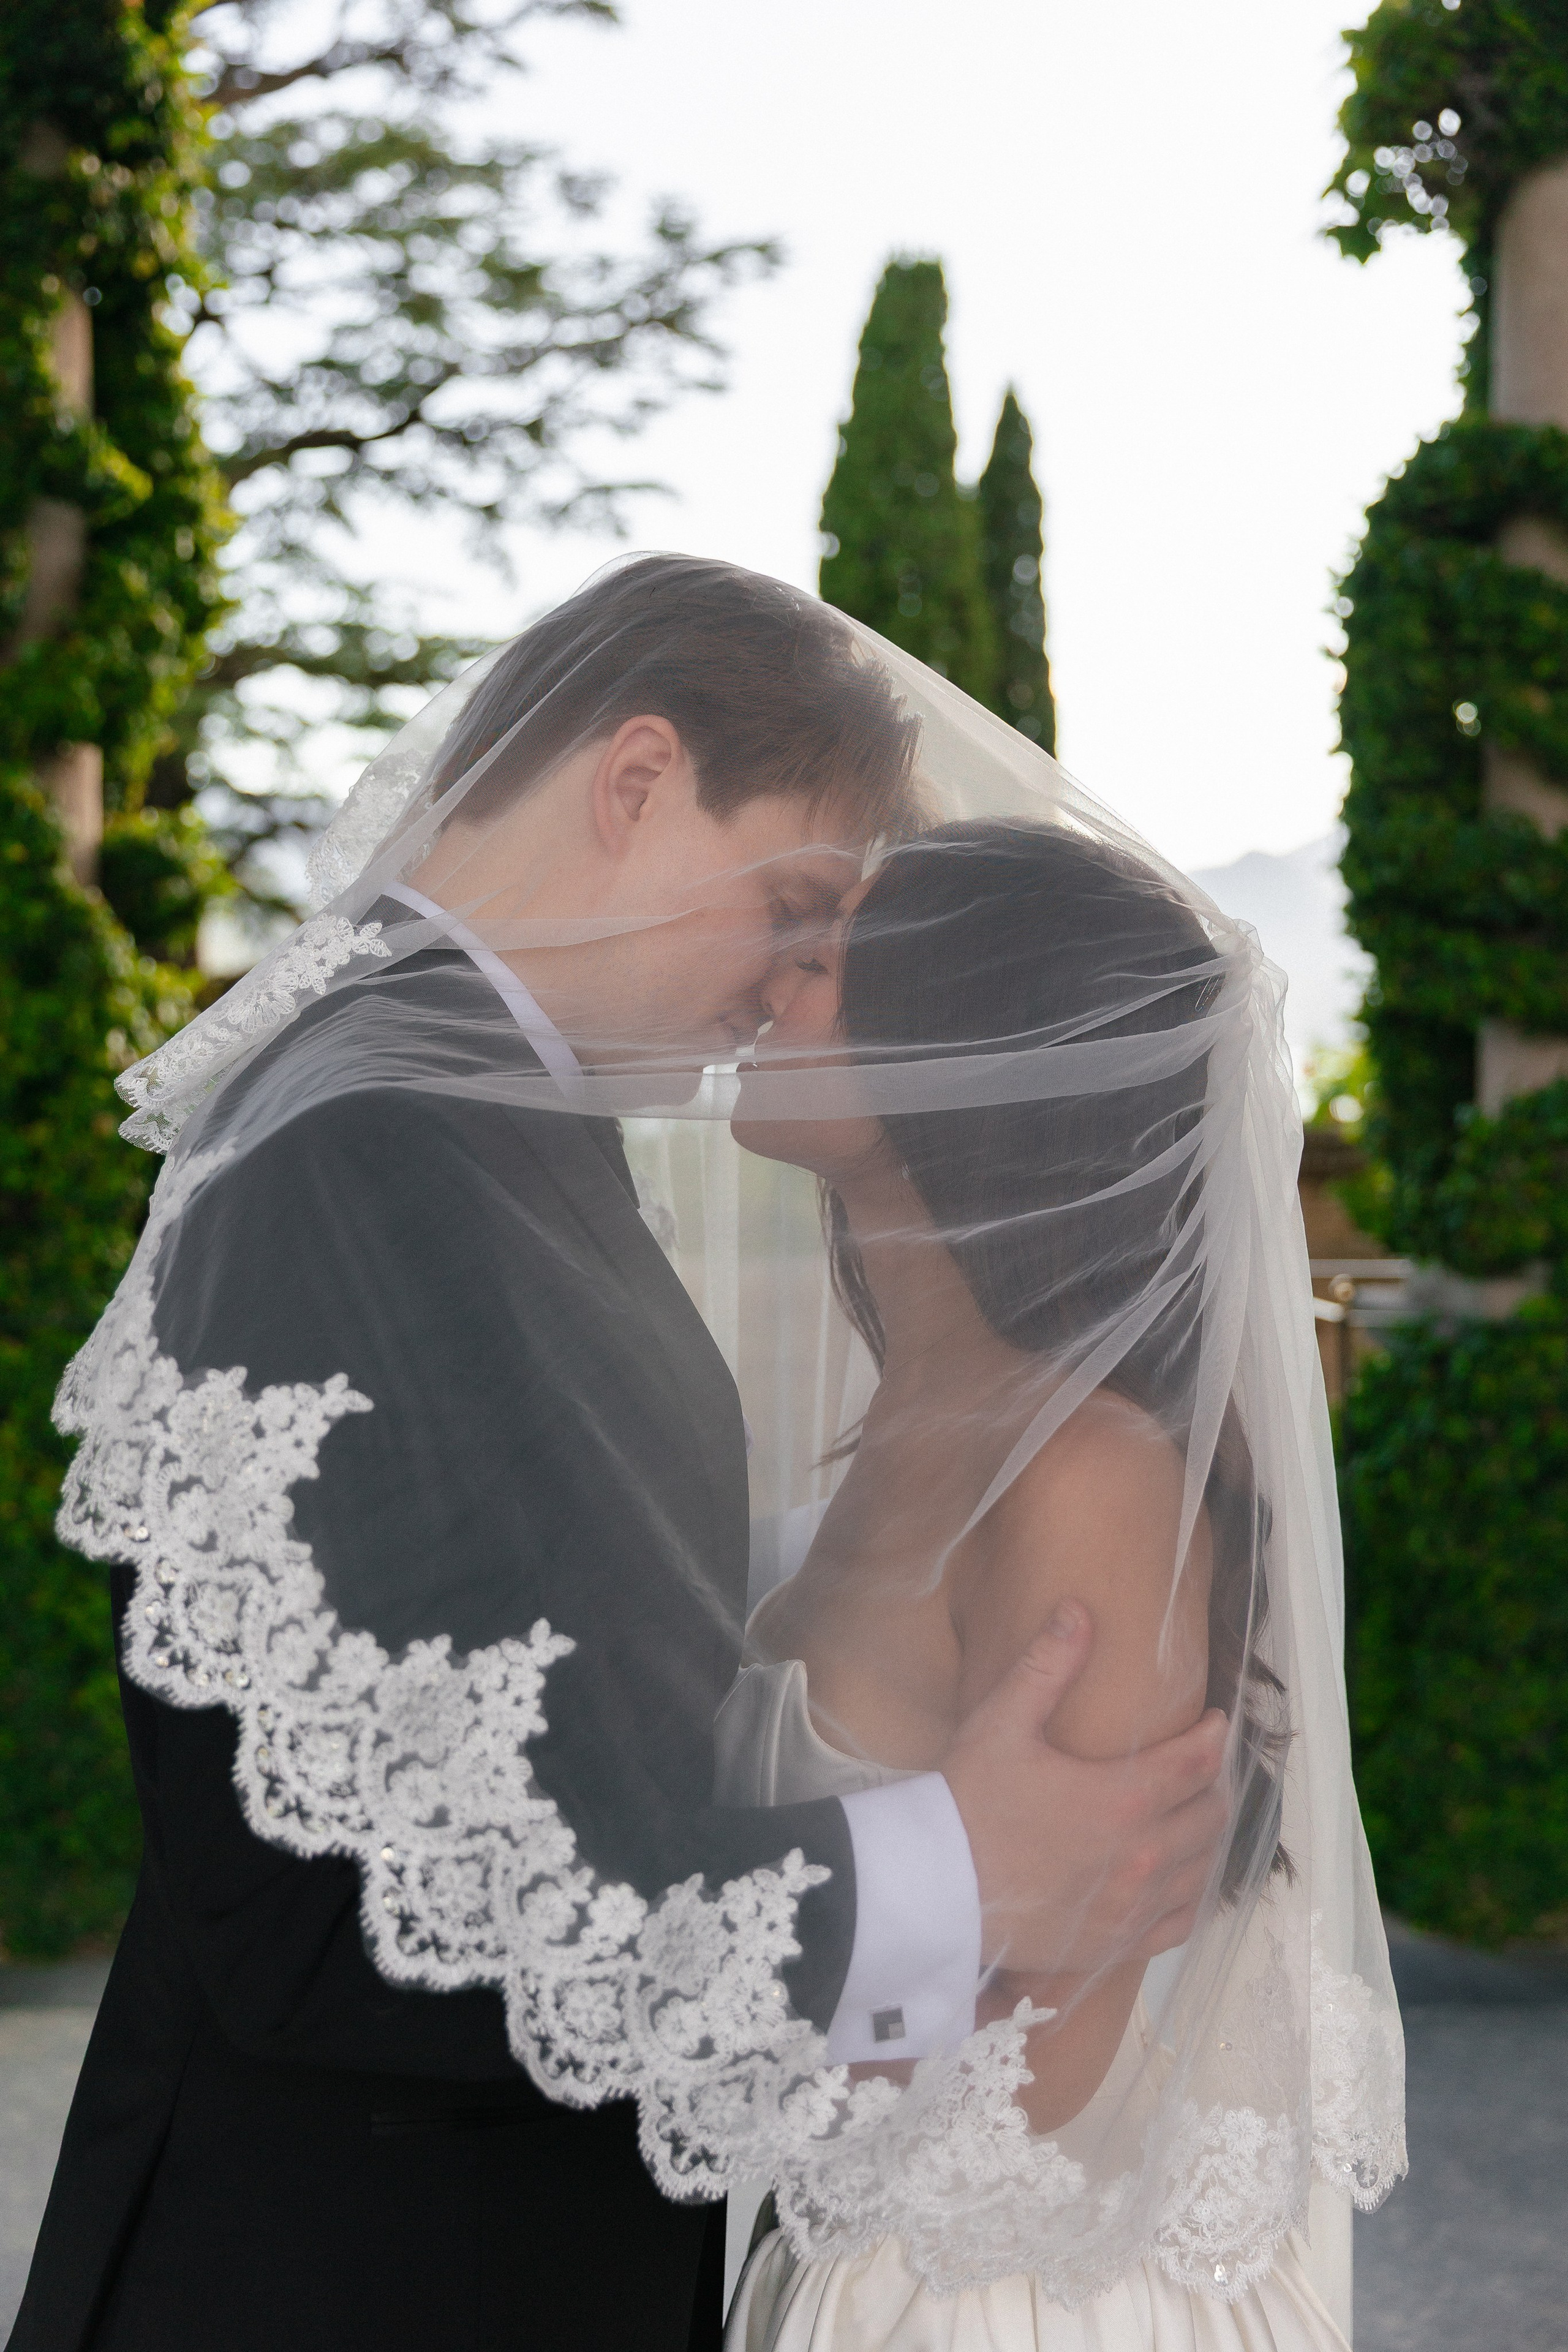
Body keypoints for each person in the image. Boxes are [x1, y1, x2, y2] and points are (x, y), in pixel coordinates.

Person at [12, 559, 1232, 2352]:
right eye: (798, 906)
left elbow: (534, 1727)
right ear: (640, 780)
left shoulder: (485, 1125)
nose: (796, 983)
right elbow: (330, 1922)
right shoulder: (375, 1146)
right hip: (355, 2291)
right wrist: (949, 1871)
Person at [721, 820, 1400, 2348]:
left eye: (831, 960)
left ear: (974, 1044)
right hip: (861, 2245)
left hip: (982, 2297)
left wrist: (640, 2020)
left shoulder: (1085, 1478)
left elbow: (1040, 2059)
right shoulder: (919, 1408)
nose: (774, 972)